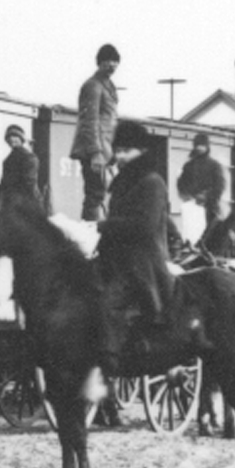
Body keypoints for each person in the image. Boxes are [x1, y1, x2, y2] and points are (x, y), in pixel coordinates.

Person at [95, 143, 175, 367]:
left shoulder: (153, 183)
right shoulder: (123, 184)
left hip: (143, 261)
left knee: (108, 305)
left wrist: (105, 226)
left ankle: (108, 366)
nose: (119, 156)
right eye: (118, 151)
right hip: (117, 259)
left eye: (126, 151)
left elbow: (145, 227)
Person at [71, 44, 121, 220]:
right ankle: (89, 234)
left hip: (106, 148)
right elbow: (89, 121)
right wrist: (95, 153)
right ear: (100, 63)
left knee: (101, 194)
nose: (113, 65)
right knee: (95, 194)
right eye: (108, 61)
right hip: (95, 150)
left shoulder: (107, 85)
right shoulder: (93, 86)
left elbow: (110, 122)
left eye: (116, 61)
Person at [177, 132, 229, 255]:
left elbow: (220, 186)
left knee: (214, 231)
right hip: (192, 206)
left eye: (202, 145)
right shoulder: (188, 166)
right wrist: (190, 196)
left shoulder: (214, 165)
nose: (199, 148)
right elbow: (181, 185)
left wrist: (206, 197)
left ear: (207, 147)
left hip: (210, 206)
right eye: (197, 145)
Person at [0, 124, 42, 209]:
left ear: (21, 139)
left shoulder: (29, 157)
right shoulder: (8, 160)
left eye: (15, 136)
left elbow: (29, 183)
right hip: (11, 203)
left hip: (25, 203)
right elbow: (3, 183)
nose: (11, 139)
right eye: (9, 137)